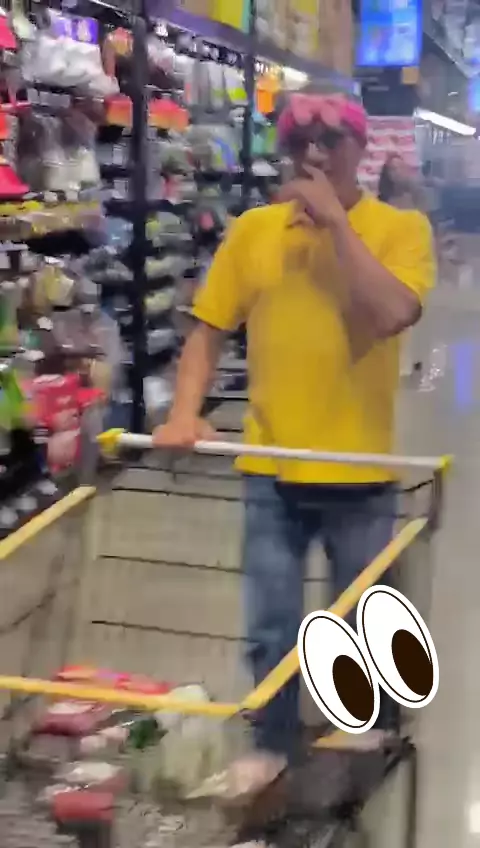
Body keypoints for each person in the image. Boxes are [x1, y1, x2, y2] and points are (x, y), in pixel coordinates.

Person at [153, 93, 436, 792]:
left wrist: (337, 225)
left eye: (330, 140)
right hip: (270, 468)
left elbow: (393, 311)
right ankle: (272, 740)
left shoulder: (401, 229)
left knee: (362, 619)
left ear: (360, 147)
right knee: (272, 623)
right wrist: (184, 412)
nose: (312, 154)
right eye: (298, 140)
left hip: (360, 470)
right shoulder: (254, 231)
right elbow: (208, 329)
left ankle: (363, 735)